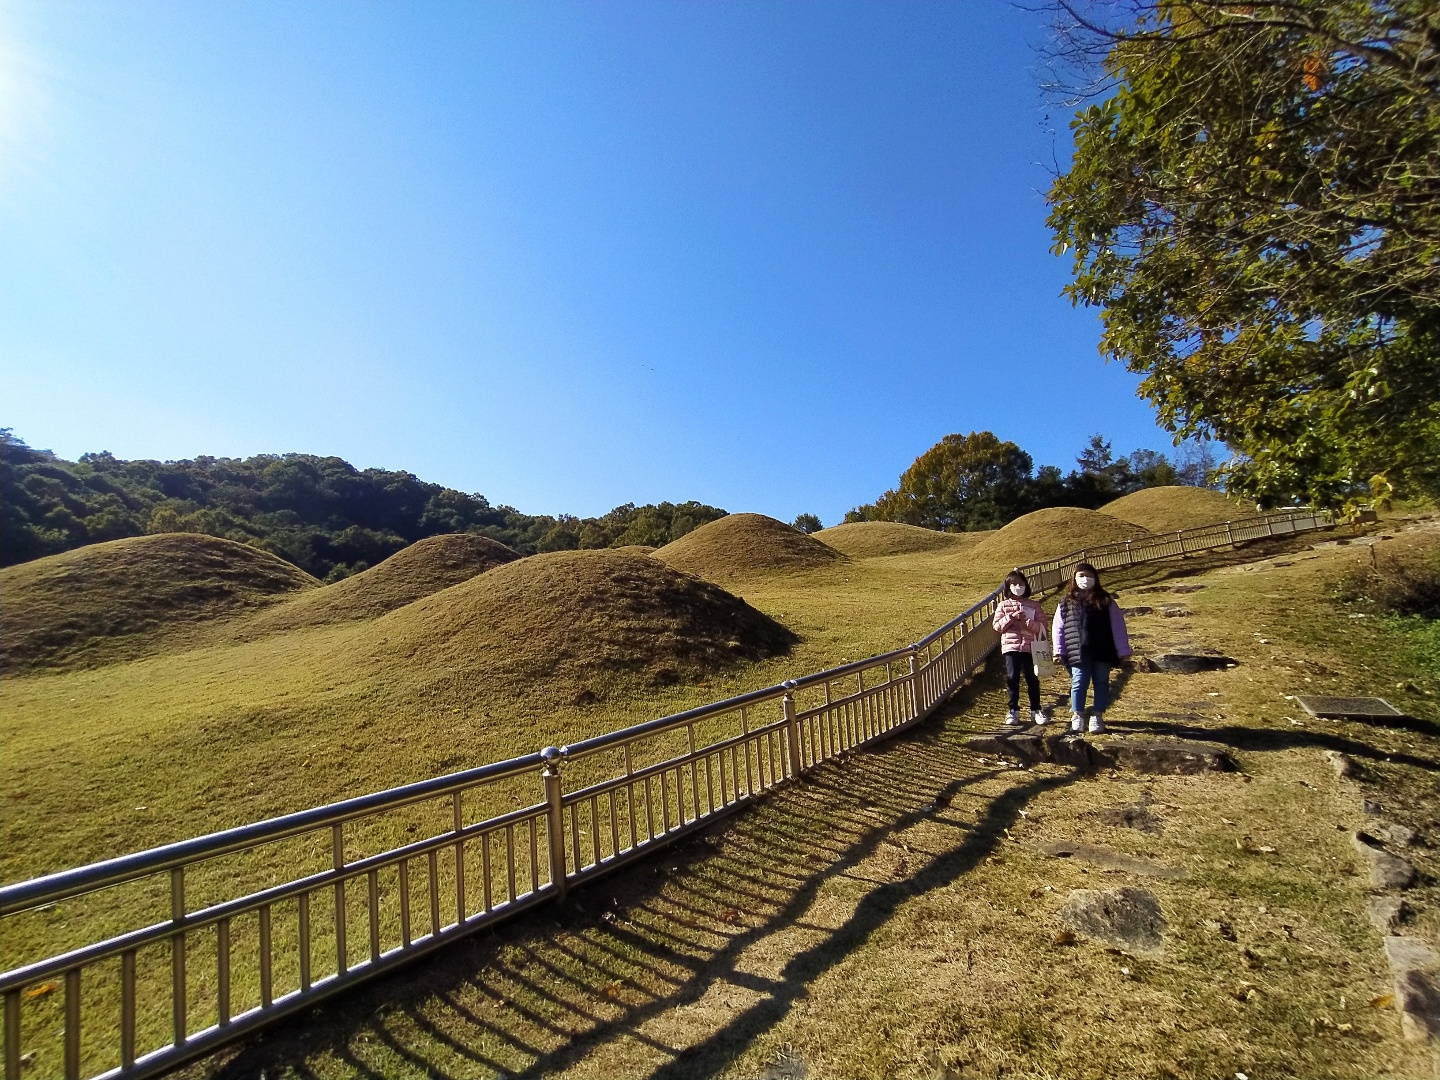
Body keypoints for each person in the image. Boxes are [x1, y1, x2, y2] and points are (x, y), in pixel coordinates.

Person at [1051, 562, 1131, 734]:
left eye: (1089, 576)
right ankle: (1077, 714)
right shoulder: (1066, 602)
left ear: (1095, 578)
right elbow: (1058, 627)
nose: (1085, 579)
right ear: (1074, 579)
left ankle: (1097, 716)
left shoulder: (1105, 600)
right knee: (1079, 682)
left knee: (1101, 682)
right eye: (1081, 576)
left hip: (1102, 648)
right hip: (1077, 649)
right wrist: (1058, 650)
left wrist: (1123, 650)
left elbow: (1117, 625)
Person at [991, 569, 1048, 727]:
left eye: (1020, 583)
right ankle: (1013, 710)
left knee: (1032, 678)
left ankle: (1036, 709)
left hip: (1031, 647)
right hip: (1011, 646)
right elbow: (997, 626)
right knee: (1013, 677)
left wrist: (1027, 623)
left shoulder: (1034, 605)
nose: (1018, 586)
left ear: (1026, 585)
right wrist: (1011, 617)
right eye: (1014, 584)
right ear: (1008, 587)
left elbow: (1042, 627)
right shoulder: (1003, 605)